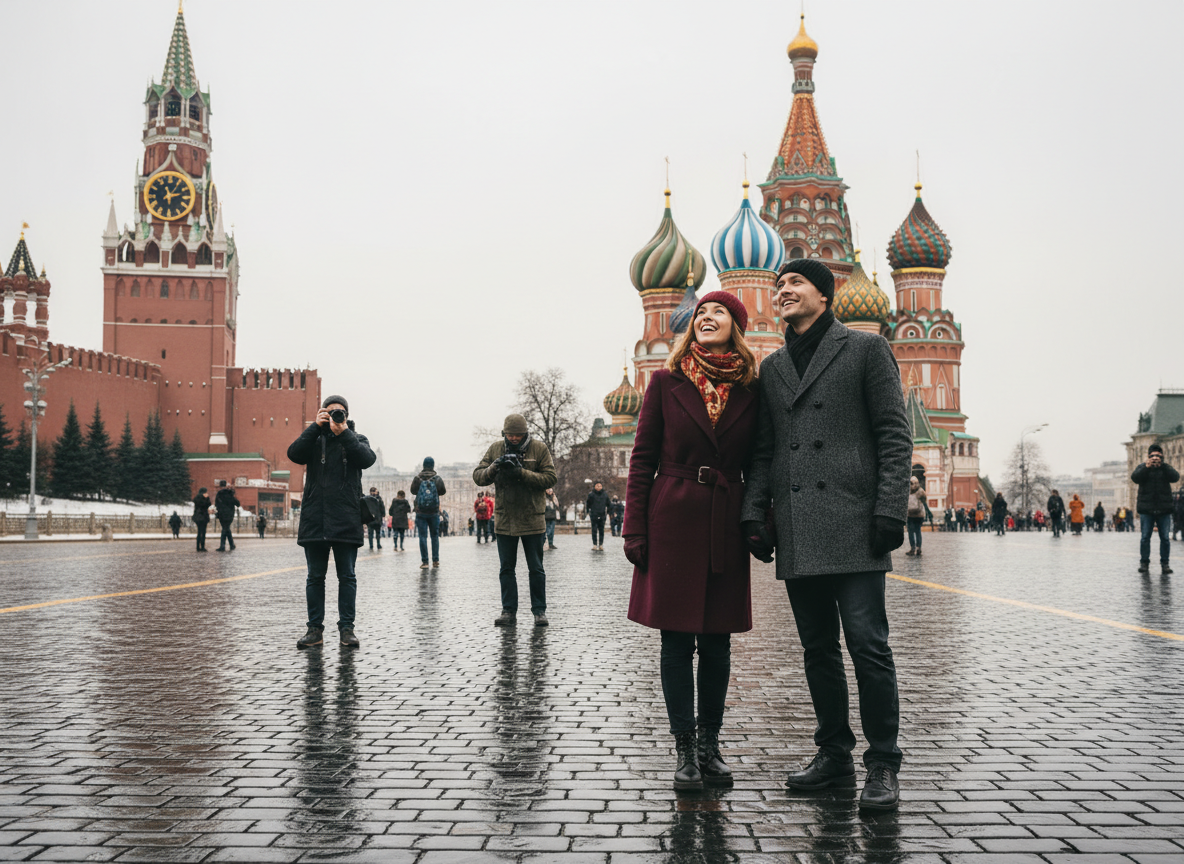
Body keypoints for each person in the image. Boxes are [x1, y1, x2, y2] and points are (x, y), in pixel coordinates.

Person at [742, 259, 912, 811]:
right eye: (779, 284)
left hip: (856, 523)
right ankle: (834, 753)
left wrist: (890, 510)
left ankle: (883, 762)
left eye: (794, 282)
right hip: (798, 526)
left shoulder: (865, 349)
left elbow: (893, 432)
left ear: (824, 293)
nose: (783, 290)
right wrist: (754, 512)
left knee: (869, 647)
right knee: (818, 649)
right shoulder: (771, 368)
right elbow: (764, 449)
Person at [624, 290, 760, 791]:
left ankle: (710, 745)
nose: (706, 317)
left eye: (718, 312)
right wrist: (634, 527)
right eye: (701, 313)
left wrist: (756, 519)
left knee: (718, 643)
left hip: (724, 521)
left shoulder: (750, 390)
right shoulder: (665, 382)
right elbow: (641, 461)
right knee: (677, 641)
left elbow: (759, 462)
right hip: (673, 519)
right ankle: (684, 749)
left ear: (736, 327)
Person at [287, 395, 376, 649]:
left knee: (347, 576)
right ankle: (314, 630)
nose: (335, 416)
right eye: (330, 412)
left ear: (347, 415)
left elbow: (367, 459)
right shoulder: (315, 439)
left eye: (340, 413)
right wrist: (315, 426)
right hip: (315, 518)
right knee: (315, 577)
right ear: (322, 413)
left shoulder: (356, 439)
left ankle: (347, 629)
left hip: (346, 518)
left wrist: (343, 432)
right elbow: (294, 453)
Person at [474, 413, 557, 628]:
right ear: (504, 434)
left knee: (536, 568)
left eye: (517, 435)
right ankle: (508, 611)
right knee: (506, 569)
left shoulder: (539, 449)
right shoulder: (495, 449)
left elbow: (550, 478)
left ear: (525, 434)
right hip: (505, 519)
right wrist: (495, 467)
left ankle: (539, 612)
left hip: (532, 518)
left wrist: (521, 472)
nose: (513, 439)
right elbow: (478, 475)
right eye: (510, 435)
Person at [1132, 443, 1179, 575]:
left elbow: (1175, 477)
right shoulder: (1143, 467)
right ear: (1148, 456)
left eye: (1158, 456)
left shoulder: (1166, 468)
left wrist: (1163, 466)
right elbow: (1135, 478)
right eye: (1152, 456)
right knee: (1145, 538)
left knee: (1164, 538)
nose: (1155, 458)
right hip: (1146, 510)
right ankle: (1144, 563)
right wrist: (1146, 467)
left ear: (1162, 456)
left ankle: (1165, 564)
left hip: (1164, 509)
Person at [411, 457, 446, 569]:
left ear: (423, 465)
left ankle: (425, 562)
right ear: (433, 465)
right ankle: (435, 560)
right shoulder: (437, 478)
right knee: (435, 536)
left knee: (422, 536)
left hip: (421, 511)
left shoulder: (417, 478)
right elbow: (442, 491)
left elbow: (413, 491)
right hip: (434, 511)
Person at [214, 480, 241, 551]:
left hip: (221, 514)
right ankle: (232, 545)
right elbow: (238, 504)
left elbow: (216, 504)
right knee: (226, 529)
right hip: (229, 515)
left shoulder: (219, 495)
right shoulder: (230, 494)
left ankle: (222, 546)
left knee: (225, 529)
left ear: (220, 486)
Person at [586, 481, 609, 551]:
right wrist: (588, 512)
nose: (598, 487)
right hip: (594, 515)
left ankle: (601, 544)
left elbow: (609, 504)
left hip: (602, 515)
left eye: (600, 486)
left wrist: (608, 512)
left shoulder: (605, 495)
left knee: (601, 530)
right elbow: (588, 504)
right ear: (594, 486)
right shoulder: (591, 495)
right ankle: (595, 544)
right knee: (594, 530)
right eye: (597, 486)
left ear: (602, 487)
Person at [906, 476, 926, 556]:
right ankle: (918, 548)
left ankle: (912, 548)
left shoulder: (907, 491)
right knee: (918, 531)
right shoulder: (921, 491)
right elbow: (924, 500)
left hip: (910, 514)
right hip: (919, 514)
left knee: (910, 532)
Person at [191, 487, 211, 551]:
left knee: (199, 532)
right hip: (203, 517)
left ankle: (197, 546)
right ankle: (202, 546)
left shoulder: (196, 498)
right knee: (203, 532)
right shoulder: (203, 498)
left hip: (197, 517)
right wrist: (207, 498)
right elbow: (207, 504)